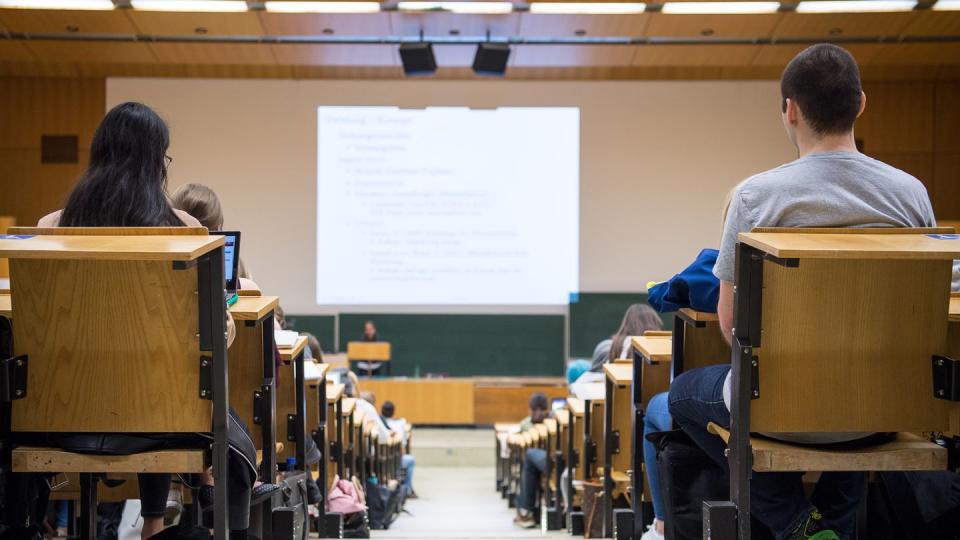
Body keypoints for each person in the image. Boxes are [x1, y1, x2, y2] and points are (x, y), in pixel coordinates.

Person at [668, 43, 936, 540]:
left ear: (789, 110)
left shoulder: (756, 197)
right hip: (884, 411)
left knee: (682, 396)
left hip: (778, 411)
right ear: (860, 104)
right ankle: (830, 522)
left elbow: (732, 326)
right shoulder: (911, 194)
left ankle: (800, 525)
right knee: (853, 393)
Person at [33, 102, 260, 540]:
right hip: (162, 418)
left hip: (61, 418)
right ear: (158, 163)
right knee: (233, 435)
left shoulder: (51, 229)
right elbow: (221, 333)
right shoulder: (185, 231)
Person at [513, 392, 552, 529]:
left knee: (528, 460)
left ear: (548, 409)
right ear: (530, 410)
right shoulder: (525, 424)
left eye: (542, 409)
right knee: (529, 467)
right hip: (543, 464)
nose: (539, 413)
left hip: (552, 462)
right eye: (535, 409)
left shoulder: (553, 422)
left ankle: (525, 511)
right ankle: (526, 511)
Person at [381, 401, 417, 499]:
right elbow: (403, 446)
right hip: (394, 460)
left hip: (380, 458)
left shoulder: (378, 423)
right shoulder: (401, 423)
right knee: (411, 460)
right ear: (393, 412)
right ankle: (408, 489)